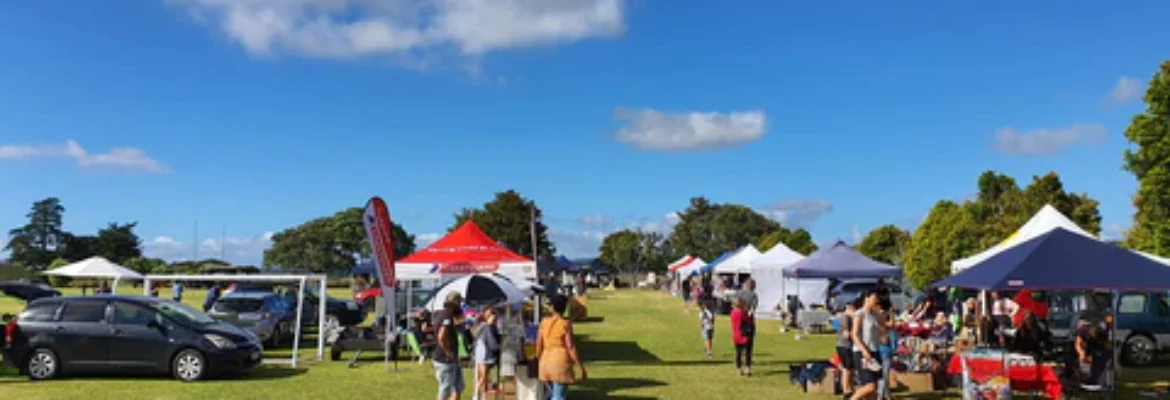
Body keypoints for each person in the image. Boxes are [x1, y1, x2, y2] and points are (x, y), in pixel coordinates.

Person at [536, 295, 587, 400]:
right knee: (558, 396)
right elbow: (570, 346)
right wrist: (580, 365)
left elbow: (539, 343)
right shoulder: (565, 324)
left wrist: (538, 358)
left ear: (552, 307)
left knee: (552, 394)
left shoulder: (544, 322)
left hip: (545, 362)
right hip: (560, 363)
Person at [851, 291, 885, 400]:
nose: (876, 300)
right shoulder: (859, 314)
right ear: (867, 298)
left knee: (873, 392)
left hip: (875, 351)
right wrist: (864, 350)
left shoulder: (875, 315)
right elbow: (854, 335)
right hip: (862, 353)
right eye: (874, 298)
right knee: (870, 386)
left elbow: (884, 328)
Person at [434, 292, 466, 400]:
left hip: (452, 359)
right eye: (460, 302)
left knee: (457, 387)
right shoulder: (447, 315)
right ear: (455, 303)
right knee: (445, 389)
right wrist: (448, 352)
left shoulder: (442, 314)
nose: (461, 305)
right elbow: (441, 336)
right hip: (445, 359)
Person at [474, 307, 501, 400]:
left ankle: (482, 396)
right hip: (485, 354)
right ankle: (476, 396)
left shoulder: (487, 326)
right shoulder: (487, 327)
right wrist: (499, 347)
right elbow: (492, 342)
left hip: (483, 353)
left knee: (484, 377)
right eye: (494, 317)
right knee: (483, 377)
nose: (495, 319)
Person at [1074, 320, 1110, 385]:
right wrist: (1081, 352)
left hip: (1100, 349)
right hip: (1089, 347)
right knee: (1083, 362)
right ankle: (1086, 378)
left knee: (1100, 362)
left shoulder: (1102, 333)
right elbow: (1077, 343)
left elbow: (1108, 346)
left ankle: (1098, 380)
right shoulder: (1083, 330)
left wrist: (1101, 353)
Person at [836, 299, 859, 397]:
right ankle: (846, 390)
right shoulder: (845, 317)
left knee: (851, 368)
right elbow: (846, 334)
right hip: (844, 345)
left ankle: (851, 388)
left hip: (849, 346)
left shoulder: (849, 317)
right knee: (847, 368)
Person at [730, 298, 755, 377]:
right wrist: (751, 315)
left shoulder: (733, 312)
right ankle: (747, 369)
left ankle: (738, 369)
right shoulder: (742, 313)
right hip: (744, 335)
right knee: (748, 353)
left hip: (736, 334)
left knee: (738, 353)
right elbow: (748, 321)